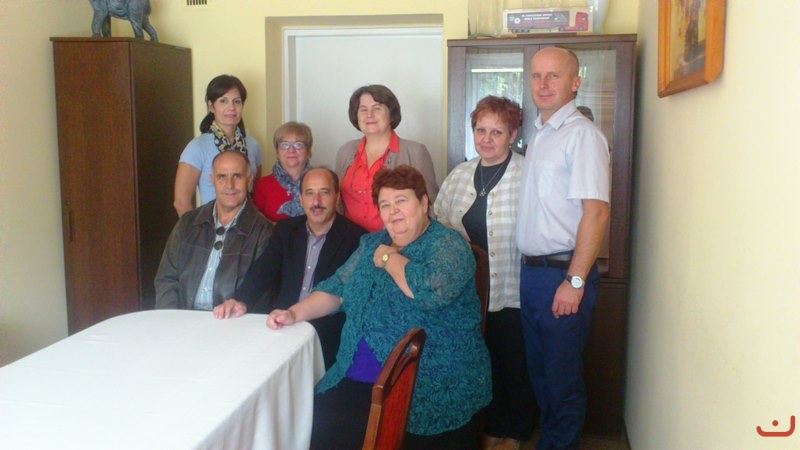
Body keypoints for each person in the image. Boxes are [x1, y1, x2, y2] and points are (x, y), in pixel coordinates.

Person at [268, 166, 490, 449]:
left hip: (426, 381)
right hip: (355, 374)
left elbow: (426, 289)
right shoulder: (372, 243)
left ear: (423, 203)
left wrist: (387, 258)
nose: (393, 211)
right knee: (303, 422)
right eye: (385, 205)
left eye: (401, 201)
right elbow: (337, 288)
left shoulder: (448, 244)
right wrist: (294, 313)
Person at [517, 47, 610, 449]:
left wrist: (574, 281)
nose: (542, 84)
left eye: (553, 76)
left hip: (563, 275)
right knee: (541, 375)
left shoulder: (582, 136)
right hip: (534, 274)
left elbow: (597, 213)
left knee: (561, 379)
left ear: (575, 83)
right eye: (536, 75)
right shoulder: (541, 134)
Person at [434, 95, 534, 449]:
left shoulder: (528, 173)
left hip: (513, 288)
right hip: (469, 292)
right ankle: (490, 427)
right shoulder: (461, 174)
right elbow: (439, 217)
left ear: (512, 135)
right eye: (480, 130)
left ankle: (515, 433)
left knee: (513, 363)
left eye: (497, 131)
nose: (487, 139)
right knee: (481, 362)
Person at [213, 168, 366, 369]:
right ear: (301, 199)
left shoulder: (357, 239)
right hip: (281, 326)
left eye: (324, 192)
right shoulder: (285, 230)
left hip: (326, 334)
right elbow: (263, 270)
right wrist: (240, 299)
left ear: (336, 197)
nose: (316, 201)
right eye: (309, 193)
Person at [155, 150, 273, 310]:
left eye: (237, 176)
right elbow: (166, 279)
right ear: (212, 180)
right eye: (222, 177)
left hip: (231, 321)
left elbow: (261, 292)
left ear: (249, 180)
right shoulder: (188, 223)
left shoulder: (264, 231)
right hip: (183, 318)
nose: (229, 185)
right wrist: (171, 319)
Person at [335, 84, 439, 232]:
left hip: (397, 241)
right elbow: (337, 202)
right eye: (363, 109)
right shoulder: (345, 152)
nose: (369, 115)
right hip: (350, 241)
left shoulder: (415, 152)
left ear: (391, 115)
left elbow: (430, 206)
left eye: (377, 108)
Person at [173, 74, 262, 217]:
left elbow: (256, 192)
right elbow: (181, 203)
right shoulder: (197, 148)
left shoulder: (252, 145)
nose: (231, 107)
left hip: (249, 226)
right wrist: (198, 229)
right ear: (211, 106)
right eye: (223, 101)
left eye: (237, 101)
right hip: (212, 227)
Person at [253, 121, 313, 222]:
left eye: (298, 145)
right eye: (285, 145)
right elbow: (257, 225)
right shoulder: (263, 186)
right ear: (277, 152)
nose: (291, 150)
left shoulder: (320, 182)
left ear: (308, 151)